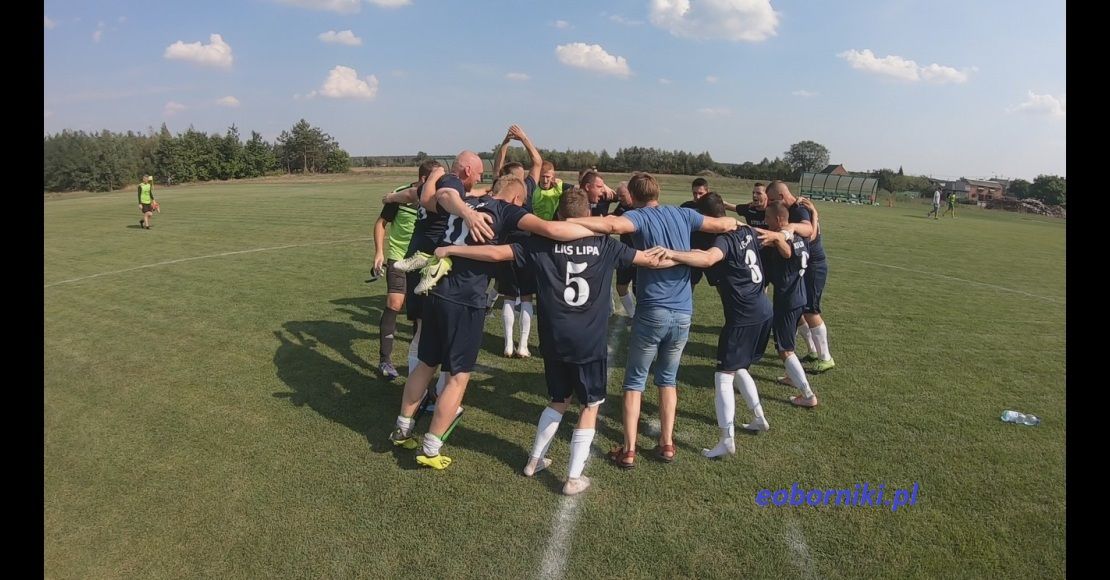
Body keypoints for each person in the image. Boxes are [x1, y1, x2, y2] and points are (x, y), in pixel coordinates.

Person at [433, 189, 659, 493]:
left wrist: (451, 249)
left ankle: (534, 460)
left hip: (553, 338)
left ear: (559, 215)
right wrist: (686, 257)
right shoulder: (606, 244)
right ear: (588, 214)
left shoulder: (540, 243)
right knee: (590, 405)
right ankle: (573, 478)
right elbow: (647, 259)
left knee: (558, 400)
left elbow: (496, 253)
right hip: (588, 341)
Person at [388, 154, 598, 471]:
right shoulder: (507, 210)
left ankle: (402, 428)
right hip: (465, 299)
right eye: (522, 202)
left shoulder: (467, 200)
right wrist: (592, 227)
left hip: (435, 291)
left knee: (427, 363)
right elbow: (548, 229)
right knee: (458, 376)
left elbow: (439, 196)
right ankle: (431, 447)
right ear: (515, 197)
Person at [568, 172, 738, 468]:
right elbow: (722, 224)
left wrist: (568, 220)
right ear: (657, 191)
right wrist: (738, 224)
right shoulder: (684, 214)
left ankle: (629, 449)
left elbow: (610, 225)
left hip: (652, 311)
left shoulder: (638, 217)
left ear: (633, 197)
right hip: (683, 312)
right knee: (668, 379)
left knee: (634, 381)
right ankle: (667, 444)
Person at [649, 216, 774, 457]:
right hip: (763, 309)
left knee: (723, 376)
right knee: (740, 367)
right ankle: (759, 417)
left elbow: (708, 259)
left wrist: (672, 253)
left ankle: (726, 439)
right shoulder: (746, 229)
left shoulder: (724, 240)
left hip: (743, 316)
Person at [371, 160, 439, 379]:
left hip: (423, 261)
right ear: (423, 179)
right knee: (395, 302)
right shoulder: (400, 195)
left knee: (420, 313)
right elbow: (381, 223)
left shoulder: (437, 197)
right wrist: (379, 252)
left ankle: (417, 363)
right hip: (399, 257)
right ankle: (385, 361)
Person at [755, 201, 819, 408]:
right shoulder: (801, 236)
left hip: (787, 301)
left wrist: (776, 239)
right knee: (790, 338)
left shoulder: (784, 241)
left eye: (767, 218)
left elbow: (787, 251)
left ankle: (808, 395)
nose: (765, 221)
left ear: (779, 219)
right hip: (801, 297)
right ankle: (792, 376)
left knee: (784, 349)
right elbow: (812, 234)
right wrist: (814, 216)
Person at [766, 181, 834, 371]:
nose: (769, 203)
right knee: (801, 309)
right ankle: (813, 351)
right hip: (804, 263)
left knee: (811, 309)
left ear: (781, 197)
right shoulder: (795, 208)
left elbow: (809, 233)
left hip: (813, 265)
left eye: (771, 199)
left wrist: (793, 227)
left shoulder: (799, 209)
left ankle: (825, 357)